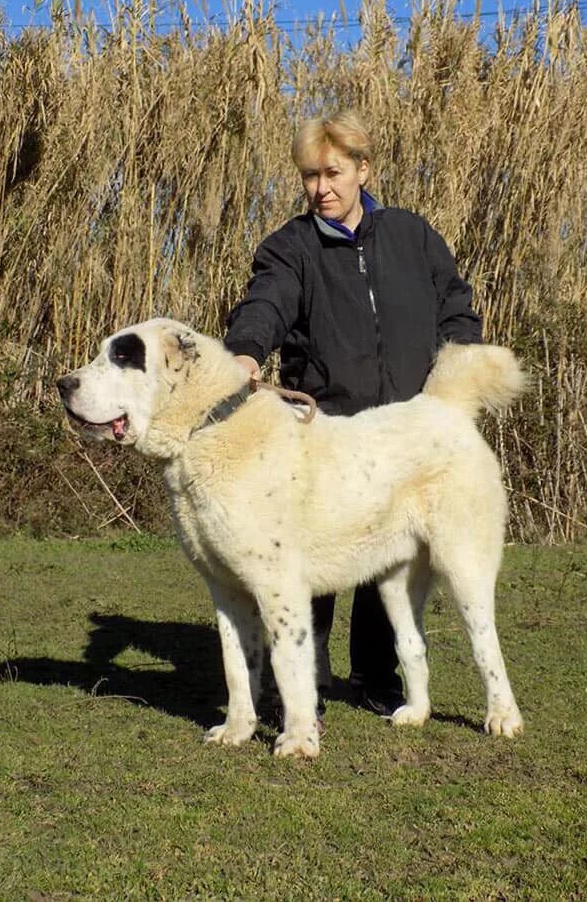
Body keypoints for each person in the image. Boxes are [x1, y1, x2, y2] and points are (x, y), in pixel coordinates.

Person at [223, 109, 482, 723]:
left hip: (405, 427)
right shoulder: (289, 248)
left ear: (363, 170)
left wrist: (458, 373)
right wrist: (243, 353)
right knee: (302, 550)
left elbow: (455, 303)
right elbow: (266, 302)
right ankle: (301, 674)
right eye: (311, 176)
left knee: (383, 553)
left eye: (333, 173)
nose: (321, 188)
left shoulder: (413, 237)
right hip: (323, 427)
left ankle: (374, 675)